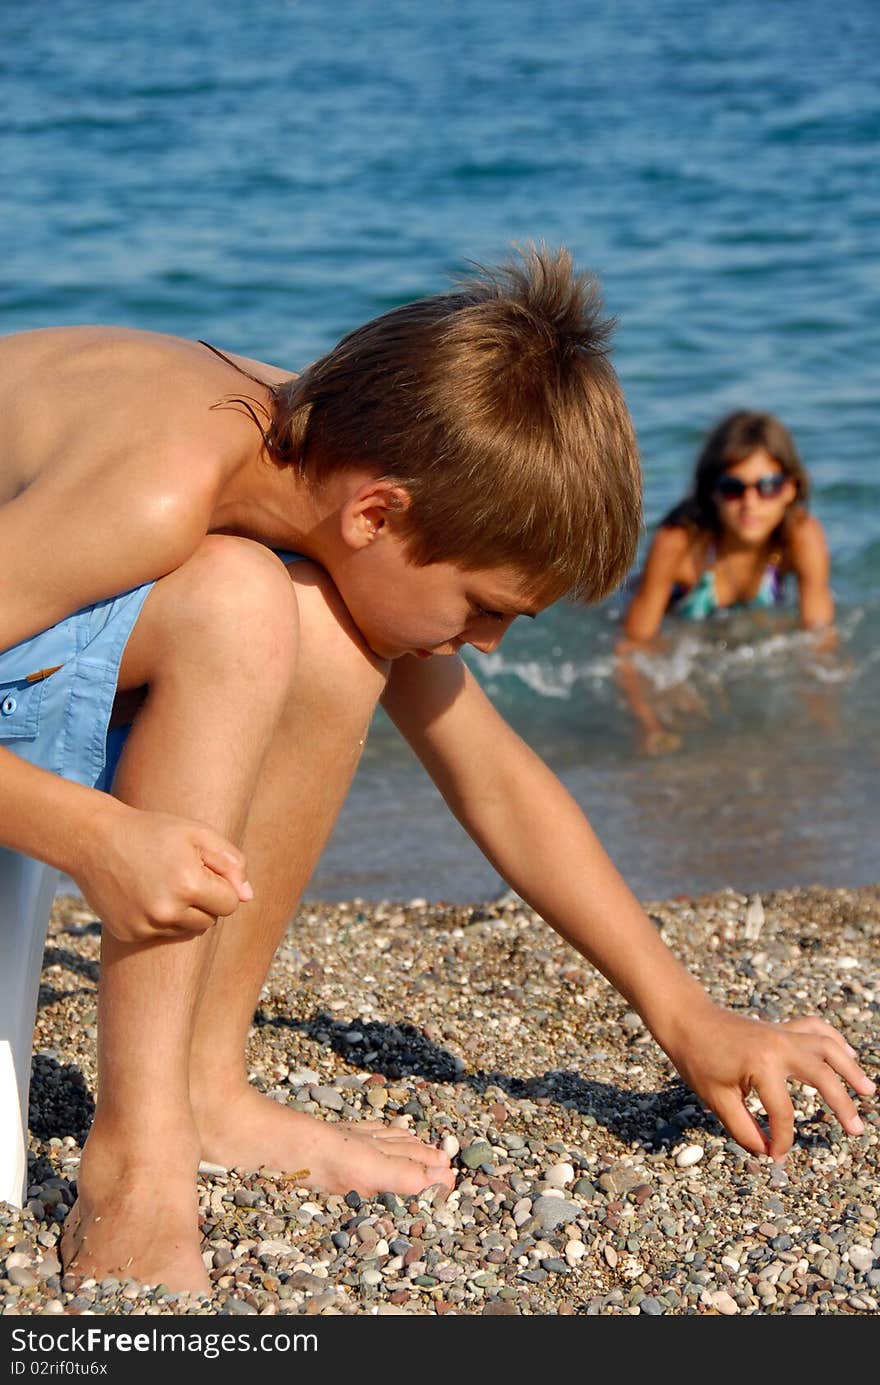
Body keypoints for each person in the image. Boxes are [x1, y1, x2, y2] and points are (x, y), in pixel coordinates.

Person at [0, 251, 871, 1293]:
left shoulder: (338, 460)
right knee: (237, 600)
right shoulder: (159, 487)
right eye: (487, 607)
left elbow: (492, 774)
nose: (490, 643)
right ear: (378, 514)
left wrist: (683, 1013)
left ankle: (203, 1084)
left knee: (321, 631)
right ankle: (136, 1158)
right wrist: (94, 836)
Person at [618, 411, 835, 752]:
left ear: (791, 488)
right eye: (733, 488)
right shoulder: (680, 543)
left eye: (768, 486)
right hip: (663, 610)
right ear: (712, 492)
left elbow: (820, 638)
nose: (750, 504)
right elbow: (632, 646)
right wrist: (649, 722)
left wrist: (820, 715)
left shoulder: (801, 537)